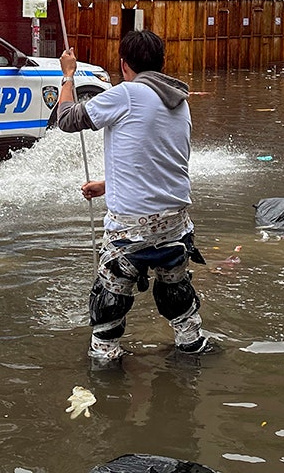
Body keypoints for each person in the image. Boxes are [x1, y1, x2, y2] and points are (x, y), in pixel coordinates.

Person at [55, 30, 211, 364]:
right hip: (176, 226)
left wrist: (67, 76)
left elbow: (66, 120)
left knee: (108, 304)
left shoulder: (126, 93)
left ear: (124, 65)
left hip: (131, 230)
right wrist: (108, 185)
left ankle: (107, 371)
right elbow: (158, 162)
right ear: (161, 63)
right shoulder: (179, 101)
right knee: (177, 296)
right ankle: (191, 350)